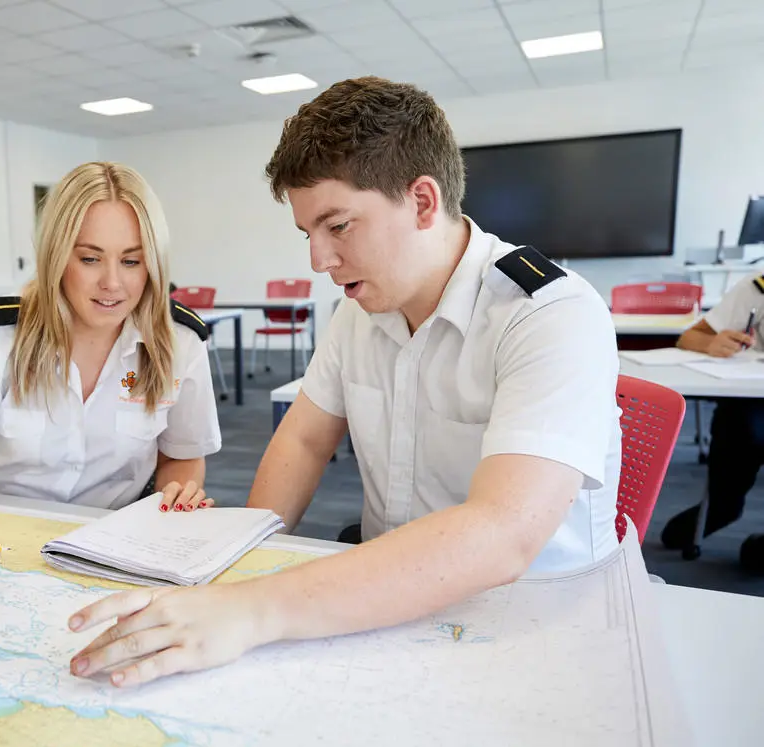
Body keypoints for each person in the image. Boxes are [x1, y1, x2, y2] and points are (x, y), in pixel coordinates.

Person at [66, 77, 622, 688]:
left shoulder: (549, 314)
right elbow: (302, 442)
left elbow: (503, 535)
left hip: (534, 626)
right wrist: (229, 570)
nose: (318, 260)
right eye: (309, 234)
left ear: (422, 202)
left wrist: (255, 610)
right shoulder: (359, 316)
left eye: (338, 227)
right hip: (380, 604)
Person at [0, 162, 222, 599]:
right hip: (0, 541)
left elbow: (182, 457)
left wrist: (177, 493)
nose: (113, 283)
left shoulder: (180, 341)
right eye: (90, 258)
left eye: (132, 261)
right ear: (57, 256)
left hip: (122, 546)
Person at [660, 273, 764, 565]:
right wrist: (711, 344)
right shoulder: (756, 289)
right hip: (754, 402)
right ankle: (721, 508)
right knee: (740, 425)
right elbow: (690, 337)